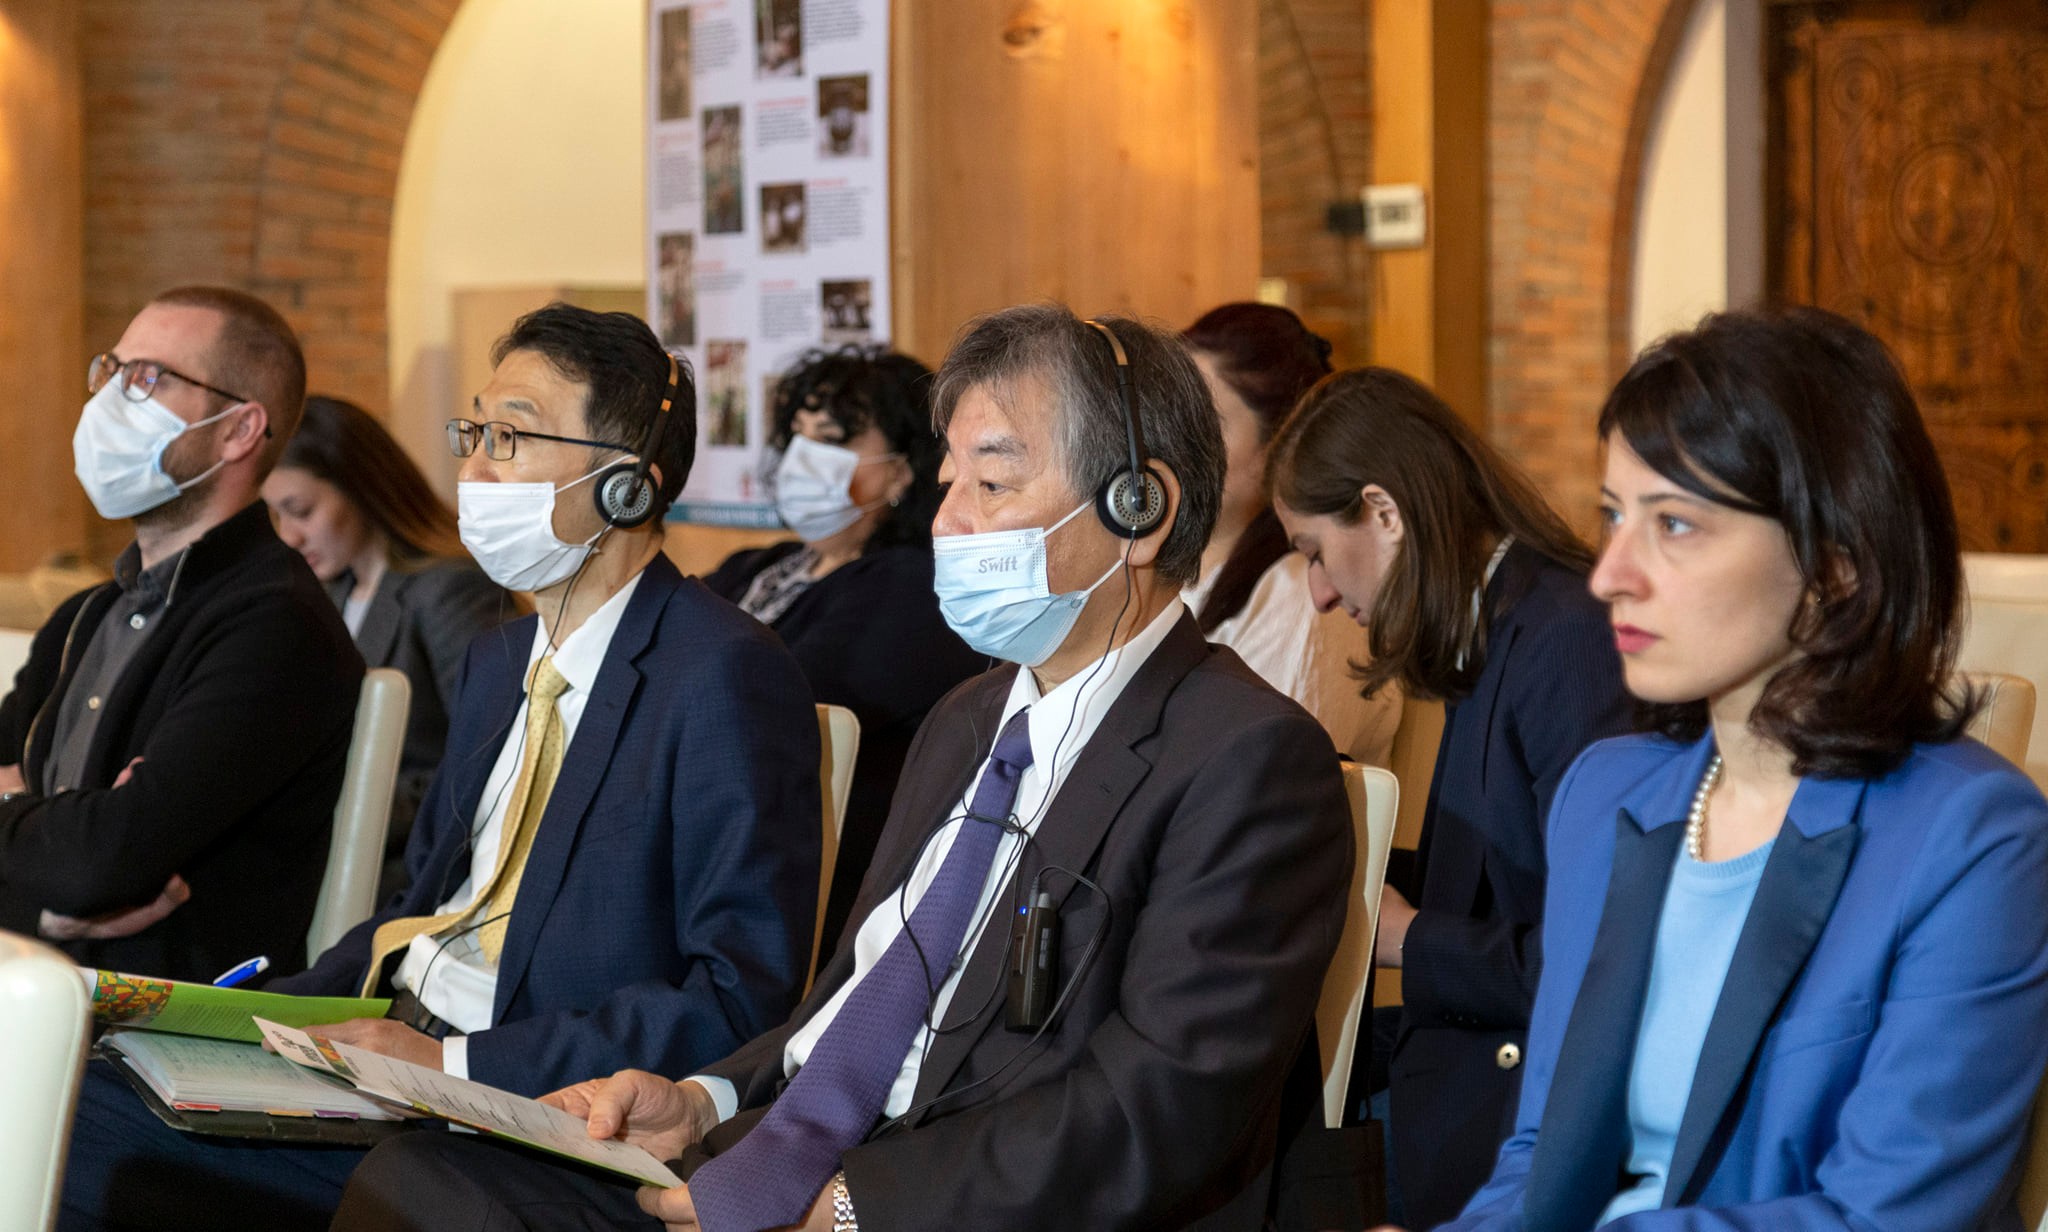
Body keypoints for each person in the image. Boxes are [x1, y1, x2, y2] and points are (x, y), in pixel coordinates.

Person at [330, 306, 1355, 1232]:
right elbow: (850, 1004)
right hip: (773, 1157)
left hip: (938, 1201)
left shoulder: (1247, 757)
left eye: (994, 484)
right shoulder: (968, 717)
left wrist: (856, 1206)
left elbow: (1153, 1107)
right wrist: (702, 1099)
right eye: (950, 483)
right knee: (423, 1178)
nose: (949, 522)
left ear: (1139, 509)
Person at [59, 303, 823, 1232]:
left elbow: (739, 995)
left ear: (626, 487)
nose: (473, 472)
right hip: (386, 1061)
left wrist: (451, 1066)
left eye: (511, 439)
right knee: (72, 1073)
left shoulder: (723, 672)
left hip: (521, 1113)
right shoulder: (499, 663)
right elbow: (419, 910)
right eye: (475, 433)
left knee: (76, 1132)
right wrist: (250, 1019)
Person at [1431, 307, 2048, 1230]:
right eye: (1613, 516)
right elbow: (1541, 1158)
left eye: (1675, 524)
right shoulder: (1605, 795)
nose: (1609, 575)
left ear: (1837, 566)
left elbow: (1884, 1220)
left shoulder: (1974, 837)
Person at [1267, 367, 1632, 1227]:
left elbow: (1600, 961)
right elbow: (1500, 878)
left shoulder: (1565, 639)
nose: (1319, 593)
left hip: (1525, 1114)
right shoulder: (1505, 624)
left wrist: (1404, 935)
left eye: (1315, 552)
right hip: (1466, 1062)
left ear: (1384, 513)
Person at [0, 285, 360, 982]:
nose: (110, 400)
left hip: (160, 1024)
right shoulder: (84, 616)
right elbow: (81, 867)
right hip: (36, 983)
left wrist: (20, 806)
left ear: (237, 430)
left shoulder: (278, 625)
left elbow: (99, 865)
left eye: (147, 378)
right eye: (111, 371)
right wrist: (37, 894)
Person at [705, 345, 984, 965]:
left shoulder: (912, 585)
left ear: (903, 471)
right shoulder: (760, 564)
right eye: (798, 436)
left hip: (813, 887)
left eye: (832, 440)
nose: (805, 459)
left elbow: (773, 702)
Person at [263, 394, 514, 896]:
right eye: (275, 516)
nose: (288, 536)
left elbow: (493, 756)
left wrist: (335, 806)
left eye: (301, 511)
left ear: (362, 488)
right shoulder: (332, 592)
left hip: (419, 875)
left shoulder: (449, 589)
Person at [1182, 303, 1401, 766]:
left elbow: (1261, 781)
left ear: (1279, 448)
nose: (1169, 440)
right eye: (1165, 413)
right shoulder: (1160, 573)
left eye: (1204, 423)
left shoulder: (1310, 600)